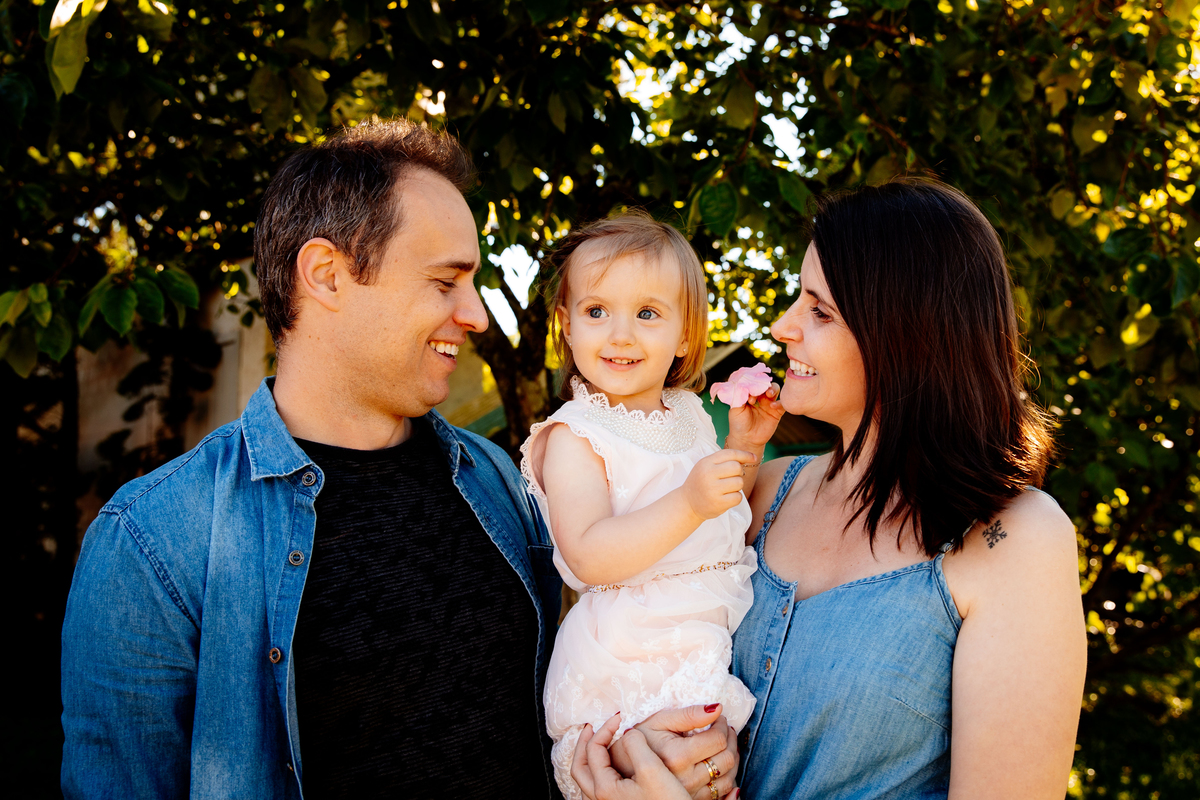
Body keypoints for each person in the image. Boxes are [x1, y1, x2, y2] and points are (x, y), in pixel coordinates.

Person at [59, 120, 734, 799]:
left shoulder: (498, 481)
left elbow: (557, 705)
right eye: (446, 282)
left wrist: (629, 761)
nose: (474, 314)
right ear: (326, 275)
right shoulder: (152, 541)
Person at [576, 178, 1086, 800]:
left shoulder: (1015, 540)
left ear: (906, 334)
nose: (782, 325)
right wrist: (647, 749)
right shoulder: (756, 494)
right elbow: (624, 635)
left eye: (819, 311)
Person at [519, 213, 784, 800]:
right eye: (596, 312)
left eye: (646, 313)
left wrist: (743, 448)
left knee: (712, 763)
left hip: (699, 622)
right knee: (663, 768)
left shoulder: (689, 415)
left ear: (686, 336)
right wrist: (688, 501)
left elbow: (719, 507)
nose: (619, 334)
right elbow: (588, 552)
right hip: (634, 645)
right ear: (565, 326)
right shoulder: (575, 436)